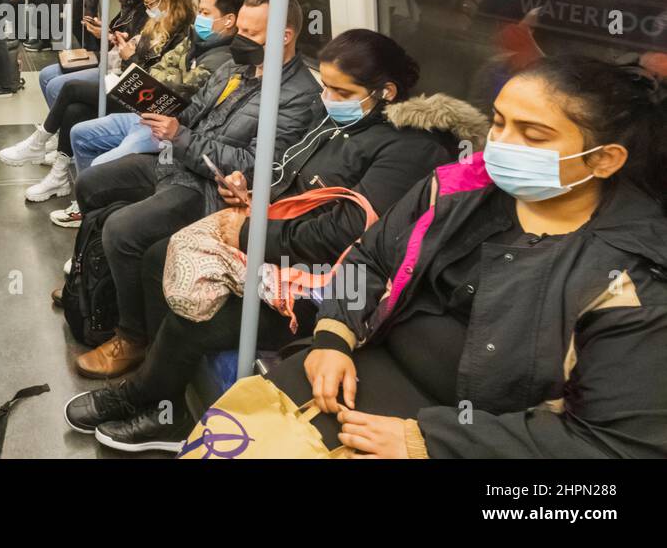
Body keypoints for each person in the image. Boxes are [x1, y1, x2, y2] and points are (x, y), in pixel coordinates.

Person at [67, 30, 488, 452]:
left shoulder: (412, 150)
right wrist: (249, 195)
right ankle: (163, 390)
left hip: (328, 277)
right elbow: (292, 181)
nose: (327, 97)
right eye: (325, 86)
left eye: (341, 90)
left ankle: (155, 405)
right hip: (283, 239)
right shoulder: (340, 121)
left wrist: (251, 233)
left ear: (386, 91)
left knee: (194, 322)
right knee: (158, 256)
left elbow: (342, 234)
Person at [238, 55, 667, 458]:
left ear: (604, 159)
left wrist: (434, 441)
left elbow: (614, 443)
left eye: (533, 135)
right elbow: (369, 258)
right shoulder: (457, 188)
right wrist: (332, 337)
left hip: (482, 436)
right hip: (362, 361)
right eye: (499, 123)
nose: (501, 144)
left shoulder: (630, 278)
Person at [71, 0, 324, 378]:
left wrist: (181, 137)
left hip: (206, 187)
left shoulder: (298, 96)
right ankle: (96, 280)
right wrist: (161, 111)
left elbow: (254, 166)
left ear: (285, 36)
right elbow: (194, 113)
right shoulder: (234, 69)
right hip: (176, 164)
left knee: (122, 229)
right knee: (91, 183)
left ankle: (133, 337)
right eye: (238, 28)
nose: (238, 38)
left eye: (250, 32)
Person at [51, 0, 244, 228]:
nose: (200, 18)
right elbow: (162, 70)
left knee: (96, 158)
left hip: (168, 120)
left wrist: (136, 63)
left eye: (206, 13)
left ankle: (97, 220)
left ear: (228, 20)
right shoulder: (194, 40)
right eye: (200, 11)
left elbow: (178, 88)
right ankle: (86, 207)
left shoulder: (222, 57)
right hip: (145, 105)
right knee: (79, 130)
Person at [0, 0, 196, 202]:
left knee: (71, 88)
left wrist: (129, 57)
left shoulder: (180, 33)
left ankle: (40, 141)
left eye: (151, 2)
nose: (148, 8)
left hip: (141, 95)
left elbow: (157, 78)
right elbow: (141, 56)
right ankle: (60, 175)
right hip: (126, 81)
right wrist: (119, 43)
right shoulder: (156, 24)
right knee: (74, 109)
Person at [35, 0, 149, 117]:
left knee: (55, 85)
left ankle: (56, 127)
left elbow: (131, 49)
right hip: (108, 58)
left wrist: (108, 36)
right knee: (45, 75)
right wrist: (105, 33)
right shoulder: (127, 11)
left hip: (116, 68)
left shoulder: (146, 16)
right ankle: (58, 127)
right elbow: (115, 41)